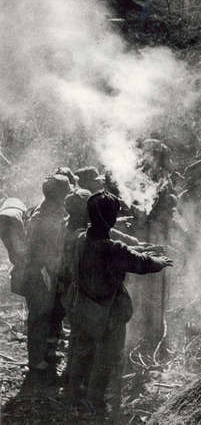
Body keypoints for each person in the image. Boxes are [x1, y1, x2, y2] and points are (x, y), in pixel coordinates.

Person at [68, 191, 173, 416]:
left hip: (82, 307)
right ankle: (96, 403)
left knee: (82, 352)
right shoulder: (112, 249)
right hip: (107, 314)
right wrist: (160, 261)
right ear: (111, 219)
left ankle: (75, 397)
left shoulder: (80, 238)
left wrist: (142, 250)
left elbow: (126, 253)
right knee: (108, 358)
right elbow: (140, 264)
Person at [24, 174, 71, 384]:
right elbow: (39, 253)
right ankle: (36, 361)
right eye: (66, 190)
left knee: (55, 314)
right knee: (39, 317)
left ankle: (49, 352)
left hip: (52, 273)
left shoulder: (55, 211)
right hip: (39, 275)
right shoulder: (42, 218)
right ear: (58, 194)